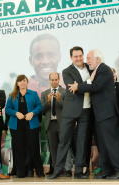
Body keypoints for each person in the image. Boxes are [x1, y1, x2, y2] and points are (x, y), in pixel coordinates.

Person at [68, 49, 119, 179]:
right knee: (103, 144)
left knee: (111, 143)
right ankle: (107, 170)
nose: (86, 61)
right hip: (100, 115)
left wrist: (78, 86)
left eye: (89, 58)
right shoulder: (97, 70)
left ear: (97, 59)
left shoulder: (105, 70)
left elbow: (95, 87)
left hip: (107, 114)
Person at [48, 46, 93, 179]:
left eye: (80, 56)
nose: (78, 58)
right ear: (71, 58)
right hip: (70, 109)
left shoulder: (91, 68)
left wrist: (79, 85)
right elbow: (72, 88)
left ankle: (79, 171)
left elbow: (82, 86)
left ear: (83, 55)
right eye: (75, 56)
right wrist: (88, 83)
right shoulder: (66, 71)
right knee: (64, 141)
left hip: (87, 109)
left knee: (81, 141)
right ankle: (58, 170)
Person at [5, 74, 44, 178]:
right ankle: (20, 172)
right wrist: (16, 113)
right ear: (17, 83)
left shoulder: (33, 94)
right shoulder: (12, 95)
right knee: (18, 149)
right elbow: (7, 109)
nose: (22, 83)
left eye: (24, 81)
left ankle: (40, 172)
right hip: (16, 126)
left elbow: (39, 106)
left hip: (31, 125)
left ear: (27, 82)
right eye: (20, 81)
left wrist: (32, 113)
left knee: (34, 148)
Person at [41, 72, 73, 177]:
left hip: (63, 124)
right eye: (52, 80)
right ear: (49, 80)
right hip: (50, 124)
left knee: (65, 147)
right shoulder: (45, 93)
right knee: (53, 149)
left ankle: (67, 169)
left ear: (59, 80)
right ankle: (56, 170)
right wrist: (48, 101)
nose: (54, 81)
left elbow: (68, 109)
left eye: (56, 79)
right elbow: (42, 111)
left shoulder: (65, 92)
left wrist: (60, 100)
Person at [28, 33, 65, 98]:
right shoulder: (21, 91)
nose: (45, 61)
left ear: (59, 57)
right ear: (31, 61)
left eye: (51, 55)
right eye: (38, 56)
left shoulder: (70, 85)